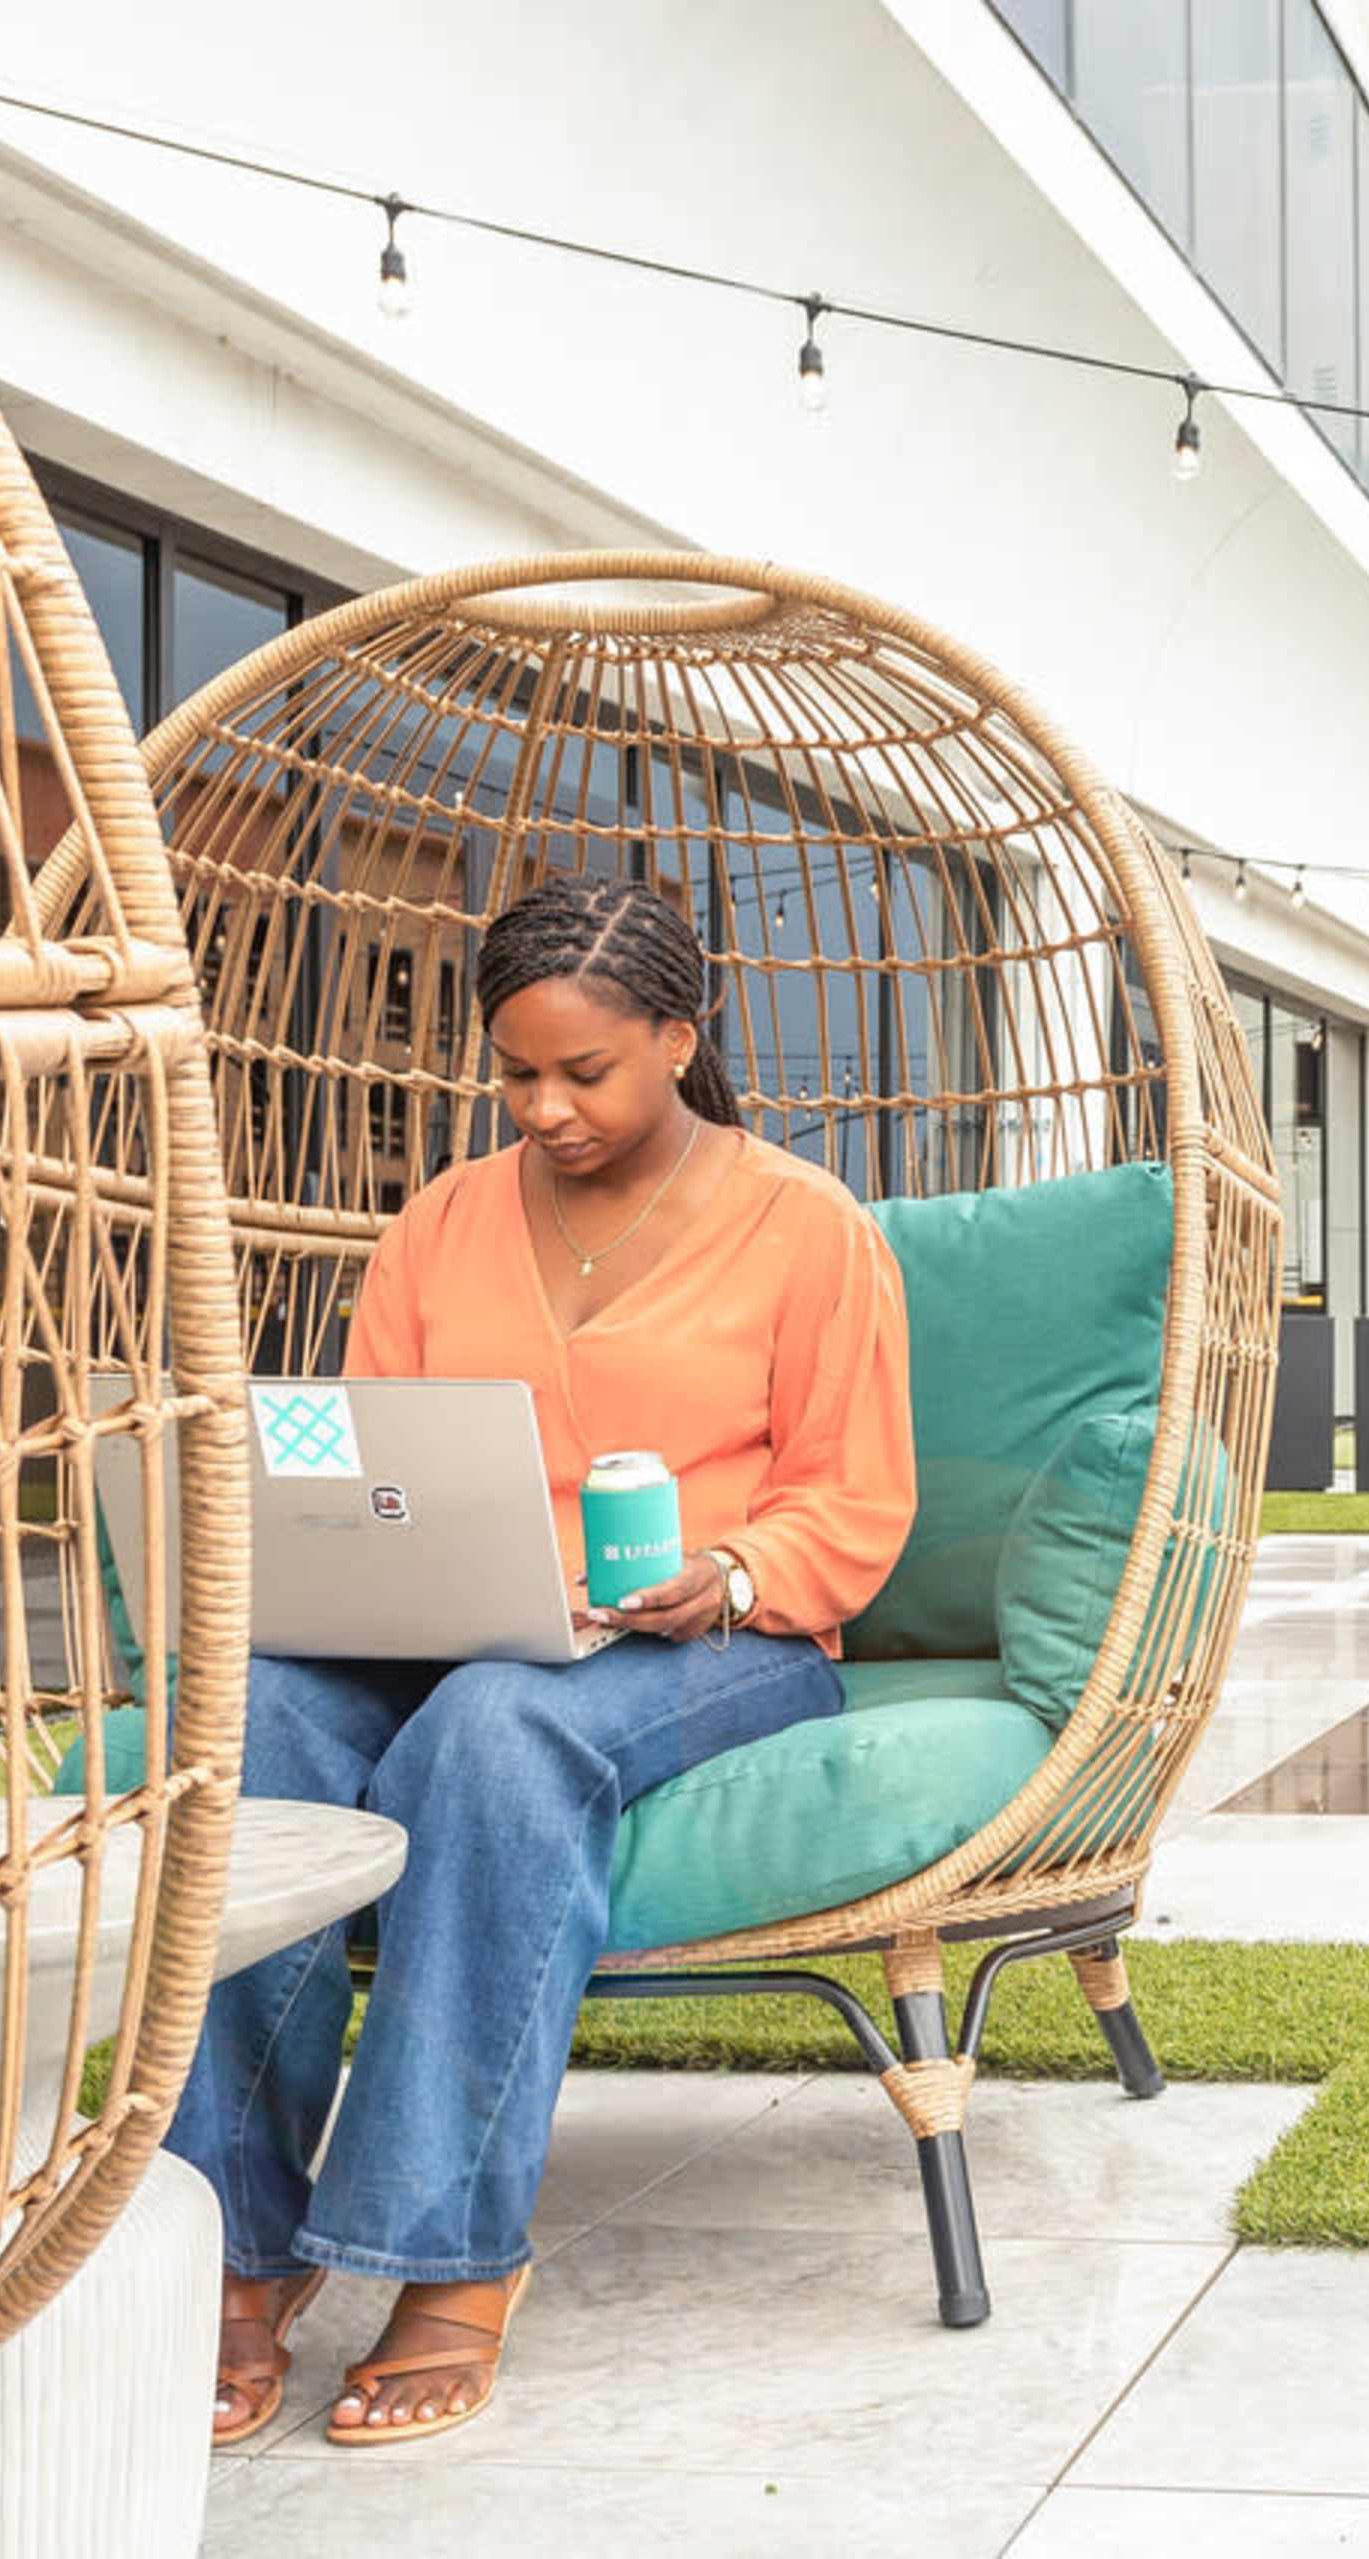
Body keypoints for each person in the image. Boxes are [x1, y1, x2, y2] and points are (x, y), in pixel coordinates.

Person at [185, 874, 913, 2447]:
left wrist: (723, 1574)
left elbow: (854, 1504)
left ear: (678, 1038)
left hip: (726, 1634)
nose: (545, 1107)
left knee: (496, 1730)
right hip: (457, 1615)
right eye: (516, 1072)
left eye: (584, 1072)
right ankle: (238, 2251)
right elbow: (374, 1463)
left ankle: (444, 2260)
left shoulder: (810, 1229)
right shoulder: (439, 1223)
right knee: (258, 1712)